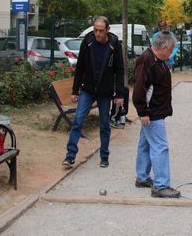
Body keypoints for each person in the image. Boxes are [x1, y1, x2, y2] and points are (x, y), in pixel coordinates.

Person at [63, 16, 125, 169]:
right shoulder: (88, 42)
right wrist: (74, 90)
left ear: (108, 30)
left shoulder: (114, 44)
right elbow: (80, 67)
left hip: (105, 91)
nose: (98, 34)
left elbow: (120, 70)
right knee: (78, 120)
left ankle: (104, 156)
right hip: (87, 89)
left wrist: (119, 94)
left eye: (101, 31)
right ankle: (70, 156)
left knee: (104, 124)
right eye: (95, 30)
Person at [132, 31, 180, 198]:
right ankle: (161, 185)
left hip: (156, 111)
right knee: (160, 147)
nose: (172, 53)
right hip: (152, 113)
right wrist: (143, 112)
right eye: (172, 49)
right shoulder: (147, 60)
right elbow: (139, 89)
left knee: (145, 144)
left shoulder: (157, 60)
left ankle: (142, 177)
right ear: (165, 47)